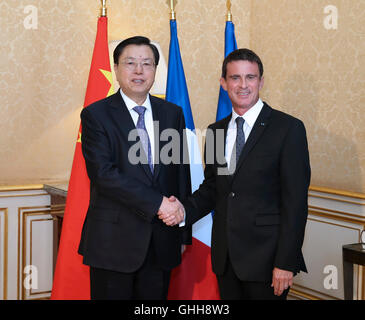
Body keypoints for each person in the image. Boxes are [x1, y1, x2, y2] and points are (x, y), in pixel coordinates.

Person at [159, 48, 311, 300]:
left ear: (261, 81)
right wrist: (183, 210)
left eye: (250, 77)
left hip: (268, 261)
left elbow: (295, 203)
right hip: (226, 260)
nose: (243, 85)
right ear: (223, 83)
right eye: (235, 78)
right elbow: (213, 189)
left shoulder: (287, 129)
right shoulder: (216, 131)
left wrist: (286, 262)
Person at [78, 36, 190, 300]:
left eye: (147, 64)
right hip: (113, 243)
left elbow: (179, 173)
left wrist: (182, 230)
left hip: (161, 241)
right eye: (130, 63)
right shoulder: (95, 115)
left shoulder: (172, 113)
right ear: (116, 68)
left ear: (155, 70)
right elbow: (104, 174)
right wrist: (159, 204)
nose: (139, 71)